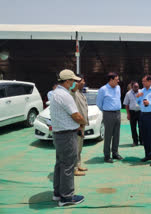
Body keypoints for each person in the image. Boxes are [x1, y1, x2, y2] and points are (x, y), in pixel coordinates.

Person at [50, 69, 86, 206]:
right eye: (72, 81)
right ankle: (67, 197)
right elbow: (76, 115)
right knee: (68, 166)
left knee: (60, 164)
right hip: (66, 135)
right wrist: (83, 123)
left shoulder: (55, 93)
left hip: (59, 134)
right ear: (67, 81)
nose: (74, 83)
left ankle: (58, 193)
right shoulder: (65, 95)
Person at [96, 72, 123, 163]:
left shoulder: (118, 88)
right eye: (116, 79)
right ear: (111, 80)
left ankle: (115, 153)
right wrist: (106, 110)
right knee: (108, 135)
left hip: (118, 113)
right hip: (108, 114)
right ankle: (107, 155)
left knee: (116, 134)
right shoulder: (103, 89)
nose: (118, 81)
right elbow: (99, 104)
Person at [70, 75, 89, 176]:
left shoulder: (81, 93)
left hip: (82, 125)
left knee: (80, 147)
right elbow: (73, 91)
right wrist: (75, 86)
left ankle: (78, 165)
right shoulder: (73, 93)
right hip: (76, 125)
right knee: (75, 147)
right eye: (82, 81)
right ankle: (73, 169)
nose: (84, 82)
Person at [123, 81, 143, 147]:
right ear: (132, 87)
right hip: (132, 112)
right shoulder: (128, 94)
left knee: (141, 127)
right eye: (135, 87)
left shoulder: (141, 92)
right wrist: (128, 114)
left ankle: (142, 141)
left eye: (137, 87)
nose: (137, 88)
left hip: (140, 112)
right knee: (133, 128)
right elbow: (126, 105)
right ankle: (135, 141)